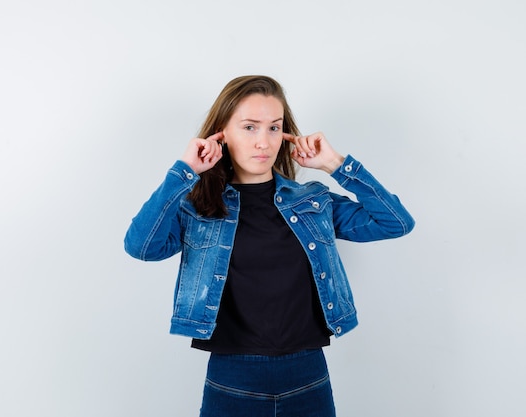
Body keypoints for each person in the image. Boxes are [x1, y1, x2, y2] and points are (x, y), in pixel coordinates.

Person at [124, 75, 415, 417]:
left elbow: (395, 222)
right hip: (231, 379)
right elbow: (141, 246)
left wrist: (335, 164)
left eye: (274, 128)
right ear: (222, 133)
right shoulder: (200, 207)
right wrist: (185, 171)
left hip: (307, 376)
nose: (263, 142)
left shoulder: (313, 201)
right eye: (249, 127)